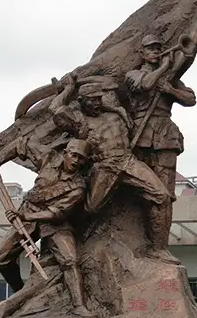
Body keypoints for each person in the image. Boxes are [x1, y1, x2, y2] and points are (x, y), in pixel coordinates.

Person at [49, 75, 178, 262]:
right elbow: (55, 109)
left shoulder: (115, 113)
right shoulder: (79, 120)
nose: (96, 103)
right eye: (92, 100)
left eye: (98, 99)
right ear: (82, 101)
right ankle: (63, 235)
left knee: (162, 196)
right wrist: (68, 89)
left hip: (128, 161)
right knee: (90, 208)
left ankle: (158, 249)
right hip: (105, 166)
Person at [0, 137, 93, 317]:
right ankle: (20, 293)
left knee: (70, 260)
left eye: (81, 159)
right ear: (65, 153)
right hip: (28, 212)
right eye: (74, 155)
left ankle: (78, 305)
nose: (76, 161)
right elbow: (20, 143)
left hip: (54, 223)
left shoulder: (78, 187)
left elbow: (57, 214)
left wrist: (25, 216)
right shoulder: (49, 158)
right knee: (0, 259)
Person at [125, 34, 196, 248]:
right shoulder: (133, 74)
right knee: (139, 193)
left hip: (165, 136)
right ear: (142, 53)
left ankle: (159, 247)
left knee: (165, 195)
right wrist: (163, 68)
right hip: (141, 135)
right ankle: (137, 241)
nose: (156, 51)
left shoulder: (169, 78)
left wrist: (171, 90)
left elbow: (191, 99)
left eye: (158, 48)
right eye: (151, 48)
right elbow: (145, 85)